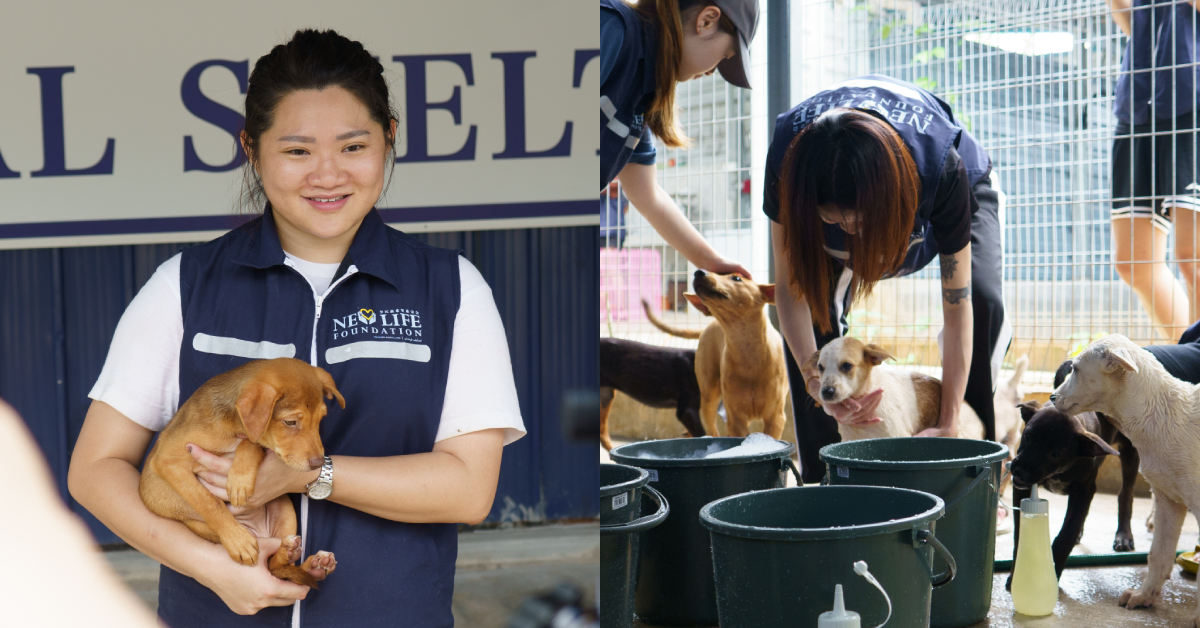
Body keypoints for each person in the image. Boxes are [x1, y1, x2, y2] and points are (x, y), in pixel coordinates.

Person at [67, 29, 525, 627]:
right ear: (252, 150)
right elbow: (95, 470)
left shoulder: (451, 288)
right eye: (298, 151)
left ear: (389, 138)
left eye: (353, 146)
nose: (327, 175)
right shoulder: (184, 285)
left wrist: (308, 474)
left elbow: (469, 490)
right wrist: (211, 565)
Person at [765, 75, 1010, 483]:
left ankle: (975, 476)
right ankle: (825, 480)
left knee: (984, 303)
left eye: (858, 221)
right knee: (816, 320)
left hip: (936, 194)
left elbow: (959, 305)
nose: (850, 231)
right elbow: (790, 291)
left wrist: (948, 420)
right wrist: (814, 383)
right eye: (835, 221)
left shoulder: (942, 169)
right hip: (859, 201)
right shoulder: (786, 166)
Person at [601, 0, 759, 278]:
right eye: (725, 55)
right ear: (706, 21)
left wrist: (711, 262)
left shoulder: (643, 90)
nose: (712, 71)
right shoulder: (611, 27)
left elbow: (647, 194)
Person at [1108, 0, 1200, 341]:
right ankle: (1184, 357)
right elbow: (1133, 22)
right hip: (1139, 99)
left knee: (1193, 259)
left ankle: (1191, 363)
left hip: (1191, 96)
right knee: (1133, 261)